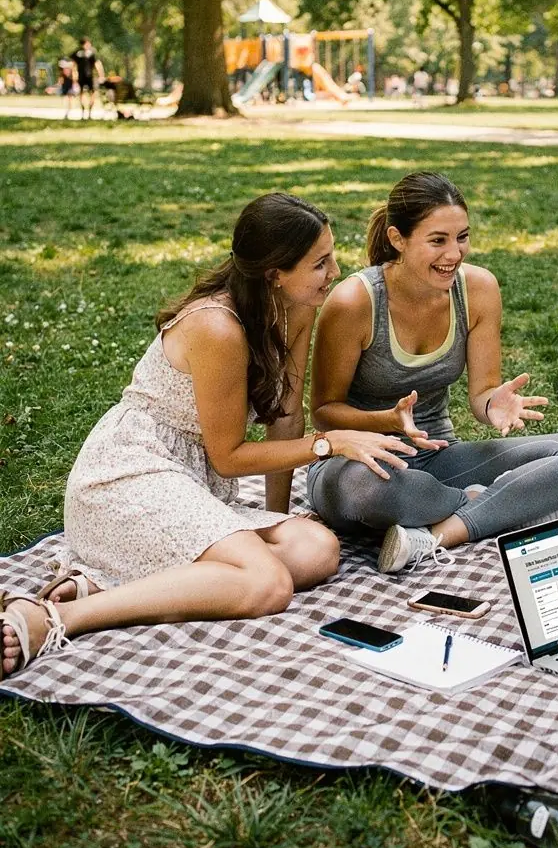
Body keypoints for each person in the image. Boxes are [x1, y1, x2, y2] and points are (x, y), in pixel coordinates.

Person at [0, 193, 412, 678]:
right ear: (274, 272)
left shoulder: (296, 307)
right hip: (130, 475)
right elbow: (229, 457)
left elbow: (284, 418)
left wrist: (273, 517)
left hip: (193, 480)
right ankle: (54, 616)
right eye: (320, 262)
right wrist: (331, 443)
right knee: (269, 584)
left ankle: (104, 585)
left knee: (316, 549)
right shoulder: (216, 326)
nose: (336, 271)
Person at [307, 172, 558, 573]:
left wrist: (492, 403)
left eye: (462, 237)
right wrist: (387, 421)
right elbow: (324, 412)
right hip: (357, 463)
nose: (454, 254)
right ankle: (499, 503)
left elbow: (481, 394)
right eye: (437, 240)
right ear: (398, 239)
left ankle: (441, 533)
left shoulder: (478, 289)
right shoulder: (354, 302)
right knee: (370, 488)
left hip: (436, 457)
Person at [72, 38, 104, 120]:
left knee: (93, 93)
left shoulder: (92, 52)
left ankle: (89, 111)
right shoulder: (78, 53)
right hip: (81, 76)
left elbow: (97, 64)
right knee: (81, 94)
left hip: (90, 76)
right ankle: (83, 111)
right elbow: (73, 64)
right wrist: (74, 75)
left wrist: (101, 75)